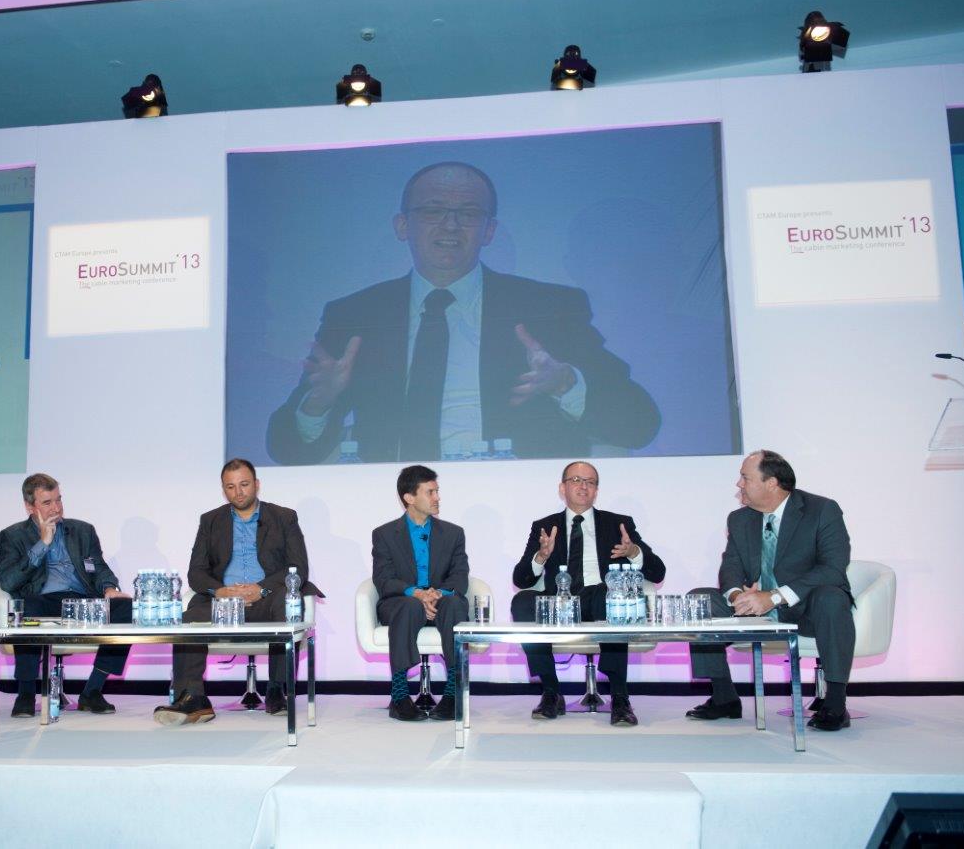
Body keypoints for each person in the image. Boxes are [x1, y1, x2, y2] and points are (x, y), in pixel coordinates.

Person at [266, 161, 659, 465]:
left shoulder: (548, 309)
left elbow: (640, 424)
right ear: (403, 226)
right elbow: (285, 449)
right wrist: (318, 403)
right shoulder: (356, 315)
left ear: (488, 231)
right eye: (433, 210)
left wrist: (566, 385)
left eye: (469, 213)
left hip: (517, 503)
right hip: (392, 507)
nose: (451, 224)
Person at [685, 450, 854, 731]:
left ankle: (835, 703)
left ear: (772, 483)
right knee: (698, 601)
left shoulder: (821, 510)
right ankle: (724, 697)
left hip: (803, 606)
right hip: (753, 607)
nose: (739, 484)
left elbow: (833, 568)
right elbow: (730, 567)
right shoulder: (739, 519)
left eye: (745, 478)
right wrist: (737, 596)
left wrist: (774, 597)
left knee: (832, 598)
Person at [154, 459, 323, 726]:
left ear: (256, 484)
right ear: (224, 490)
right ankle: (193, 697)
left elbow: (298, 567)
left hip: (267, 598)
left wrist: (261, 588)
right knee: (189, 620)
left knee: (286, 602)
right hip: (224, 603)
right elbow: (196, 573)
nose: (239, 492)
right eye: (230, 487)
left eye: (244, 485)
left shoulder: (284, 517)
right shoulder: (211, 520)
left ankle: (277, 689)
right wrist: (219, 591)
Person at [510, 461, 665, 726]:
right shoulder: (545, 526)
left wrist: (633, 552)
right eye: (576, 480)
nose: (583, 486)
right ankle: (551, 692)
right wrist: (541, 556)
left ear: (596, 490)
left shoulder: (618, 524)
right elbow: (521, 579)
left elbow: (658, 572)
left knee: (610, 594)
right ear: (562, 488)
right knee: (522, 601)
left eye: (590, 482)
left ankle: (620, 696)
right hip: (560, 602)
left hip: (599, 599)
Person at [0, 473, 132, 718]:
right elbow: (8, 581)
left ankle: (92, 690)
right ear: (30, 506)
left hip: (81, 601)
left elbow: (98, 567)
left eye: (58, 500)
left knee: (126, 607)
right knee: (25, 609)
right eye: (47, 503)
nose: (56, 508)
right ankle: (25, 694)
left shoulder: (82, 531)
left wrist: (109, 588)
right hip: (42, 600)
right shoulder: (13, 535)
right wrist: (42, 544)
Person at [372, 464, 470, 721]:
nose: (437, 498)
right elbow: (383, 580)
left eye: (437, 491)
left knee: (455, 604)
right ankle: (399, 696)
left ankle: (453, 693)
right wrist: (415, 593)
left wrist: (437, 594)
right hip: (402, 602)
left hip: (441, 600)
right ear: (409, 497)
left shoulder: (453, 533)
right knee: (409, 605)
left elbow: (460, 576)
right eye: (430, 492)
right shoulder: (384, 534)